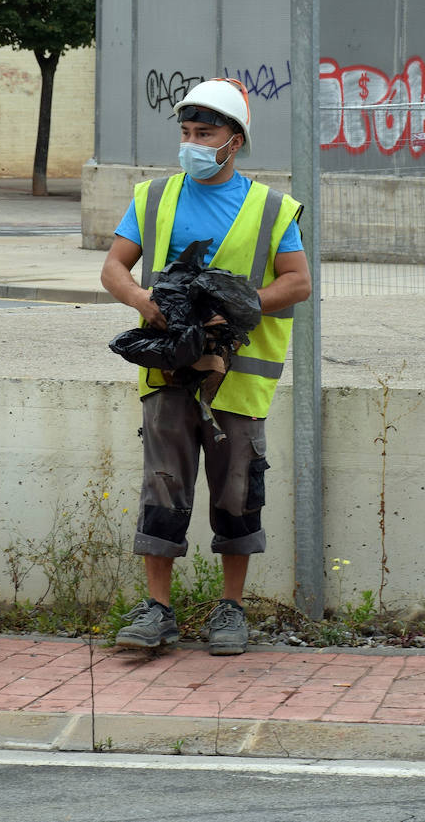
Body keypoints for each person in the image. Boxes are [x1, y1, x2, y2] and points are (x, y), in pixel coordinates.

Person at [99, 78, 310, 656]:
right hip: (168, 373)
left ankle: (231, 610)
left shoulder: (271, 208)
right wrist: (144, 302)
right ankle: (157, 610)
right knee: (162, 488)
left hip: (238, 382)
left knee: (237, 493)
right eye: (186, 133)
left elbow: (299, 282)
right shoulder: (154, 197)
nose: (192, 144)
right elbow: (114, 268)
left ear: (233, 141)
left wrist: (238, 306)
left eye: (205, 133)